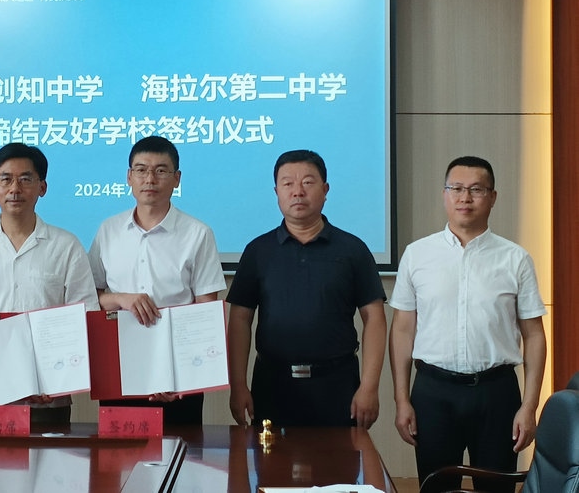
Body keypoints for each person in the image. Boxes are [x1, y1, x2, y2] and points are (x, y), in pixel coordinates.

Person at [389, 156, 547, 492]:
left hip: (496, 392)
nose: (465, 198)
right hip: (433, 391)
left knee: (496, 486)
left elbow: (534, 335)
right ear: (444, 194)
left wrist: (529, 406)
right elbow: (402, 330)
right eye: (456, 188)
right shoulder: (417, 255)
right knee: (436, 486)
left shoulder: (515, 258)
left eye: (476, 189)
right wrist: (402, 400)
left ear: (492, 196)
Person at [0, 142, 99, 424]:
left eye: (25, 179)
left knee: (53, 455)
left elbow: (83, 317)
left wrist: (59, 381)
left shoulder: (66, 246)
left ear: (42, 187)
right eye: (6, 179)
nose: (15, 189)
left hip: (49, 397)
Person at [226, 149, 386, 428]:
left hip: (337, 384)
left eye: (308, 182)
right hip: (272, 383)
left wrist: (370, 387)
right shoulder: (258, 251)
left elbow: (374, 318)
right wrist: (238, 385)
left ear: (325, 190)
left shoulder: (353, 250)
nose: (297, 192)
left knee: (339, 458)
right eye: (288, 183)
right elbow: (240, 319)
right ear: (276, 192)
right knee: (271, 457)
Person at [88, 135, 226, 424]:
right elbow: (90, 299)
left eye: (161, 170)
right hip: (120, 366)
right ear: (129, 177)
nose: (150, 178)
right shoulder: (108, 231)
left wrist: (184, 377)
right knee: (120, 450)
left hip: (178, 375)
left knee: (183, 449)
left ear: (177, 179)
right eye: (141, 170)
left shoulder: (197, 234)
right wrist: (121, 299)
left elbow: (206, 313)